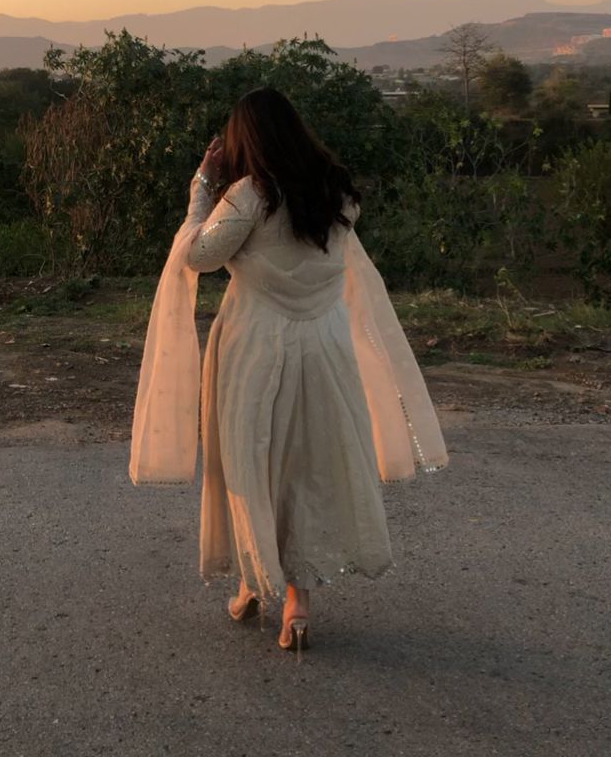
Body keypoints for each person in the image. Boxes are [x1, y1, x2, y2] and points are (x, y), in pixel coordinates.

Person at [130, 87, 448, 656]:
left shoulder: (251, 194)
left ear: (243, 140)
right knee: (309, 465)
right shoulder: (336, 190)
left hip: (256, 345)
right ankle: (297, 601)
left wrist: (202, 188)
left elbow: (197, 256)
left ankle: (256, 581)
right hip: (327, 345)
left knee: (253, 460)